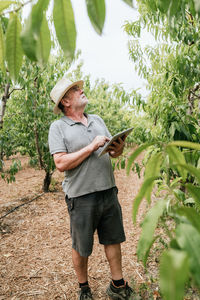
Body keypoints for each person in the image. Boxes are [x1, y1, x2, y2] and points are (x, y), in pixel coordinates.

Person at [48, 78, 134, 300]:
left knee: (113, 239)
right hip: (81, 196)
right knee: (82, 246)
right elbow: (60, 163)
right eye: (76, 90)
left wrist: (118, 148)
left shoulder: (97, 120)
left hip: (108, 190)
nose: (81, 90)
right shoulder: (58, 127)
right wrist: (91, 146)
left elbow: (111, 153)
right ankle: (84, 288)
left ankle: (117, 285)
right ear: (65, 101)